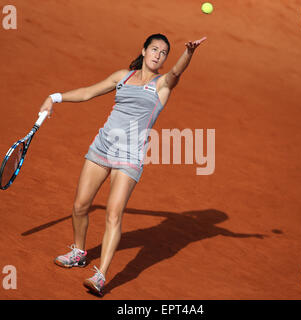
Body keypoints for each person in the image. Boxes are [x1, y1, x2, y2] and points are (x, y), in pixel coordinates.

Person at [39, 33, 206, 296]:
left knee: (114, 215)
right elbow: (88, 92)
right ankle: (79, 252)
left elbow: (176, 72)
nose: (158, 55)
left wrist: (189, 53)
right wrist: (55, 97)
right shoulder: (123, 77)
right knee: (80, 205)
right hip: (102, 146)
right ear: (144, 50)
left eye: (163, 52)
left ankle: (101, 275)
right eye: (154, 49)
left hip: (129, 156)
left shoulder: (162, 84)